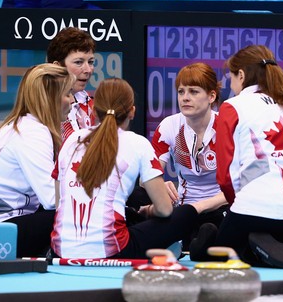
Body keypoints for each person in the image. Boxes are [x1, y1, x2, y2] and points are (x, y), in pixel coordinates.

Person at [190, 45, 283, 267]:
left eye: (231, 78)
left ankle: (253, 247)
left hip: (254, 213)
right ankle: (274, 244)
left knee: (217, 253)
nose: (231, 85)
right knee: (269, 229)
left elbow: (225, 176)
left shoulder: (233, 106)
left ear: (241, 75)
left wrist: (238, 208)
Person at [51, 78, 213, 259]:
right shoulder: (138, 143)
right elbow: (165, 209)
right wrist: (147, 211)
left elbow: (59, 205)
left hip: (60, 250)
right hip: (115, 251)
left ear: (95, 110)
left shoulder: (72, 139)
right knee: (186, 213)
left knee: (130, 208)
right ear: (132, 112)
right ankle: (169, 249)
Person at [0, 64, 74, 257]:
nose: (72, 100)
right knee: (72, 216)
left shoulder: (22, 125)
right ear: (50, 98)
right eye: (68, 94)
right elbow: (53, 200)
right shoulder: (33, 133)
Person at [150, 63, 228, 245]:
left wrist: (198, 207)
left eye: (193, 92)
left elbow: (241, 185)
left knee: (225, 221)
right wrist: (157, 183)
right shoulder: (168, 126)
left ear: (211, 96)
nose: (185, 98)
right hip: (184, 207)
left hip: (222, 205)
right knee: (140, 196)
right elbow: (145, 176)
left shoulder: (227, 126)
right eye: (181, 91)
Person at [46, 27, 98, 140]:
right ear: (57, 66)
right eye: (79, 62)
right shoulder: (41, 108)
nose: (88, 70)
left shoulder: (91, 105)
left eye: (91, 62)